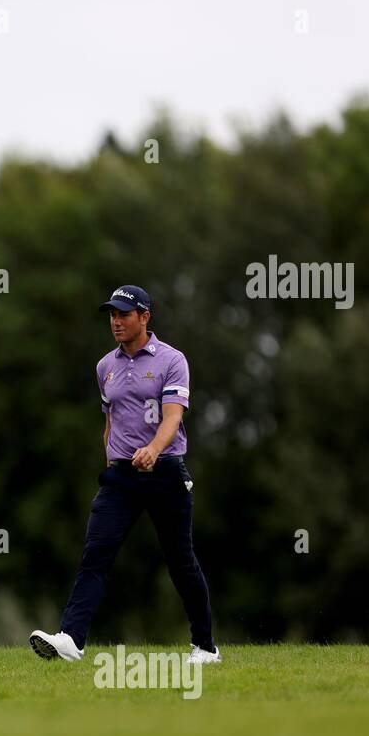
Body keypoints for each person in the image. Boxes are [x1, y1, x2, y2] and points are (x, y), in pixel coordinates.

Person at [29, 285, 221, 665]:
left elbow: (173, 417)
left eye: (123, 315)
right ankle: (71, 638)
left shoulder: (172, 360)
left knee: (180, 561)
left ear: (144, 317)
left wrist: (153, 449)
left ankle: (205, 647)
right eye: (112, 315)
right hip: (120, 478)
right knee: (95, 555)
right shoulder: (105, 366)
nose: (116, 322)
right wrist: (111, 464)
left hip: (165, 471)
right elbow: (110, 422)